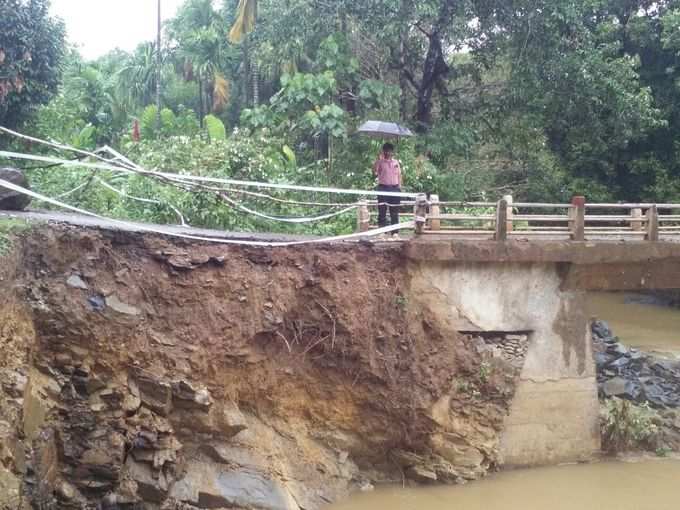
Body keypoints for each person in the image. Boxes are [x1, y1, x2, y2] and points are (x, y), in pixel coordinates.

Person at [373, 142, 402, 232]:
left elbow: (399, 175)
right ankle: (382, 232)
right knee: (382, 211)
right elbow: (374, 172)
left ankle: (395, 233)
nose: (388, 153)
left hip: (395, 188)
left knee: (394, 212)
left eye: (390, 151)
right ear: (383, 151)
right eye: (386, 151)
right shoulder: (380, 162)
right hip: (383, 188)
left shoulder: (396, 162)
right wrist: (377, 160)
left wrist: (399, 187)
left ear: (392, 152)